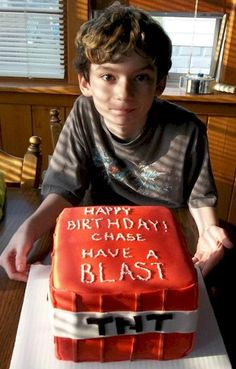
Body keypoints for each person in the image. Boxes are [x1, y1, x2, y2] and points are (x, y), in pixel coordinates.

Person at [0, 5, 233, 282]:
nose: (124, 94)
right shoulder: (84, 114)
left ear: (159, 85)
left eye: (141, 78)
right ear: (86, 82)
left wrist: (208, 230)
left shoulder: (187, 128)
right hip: (95, 236)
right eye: (108, 77)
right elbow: (64, 187)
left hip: (160, 239)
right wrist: (31, 226)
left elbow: (199, 196)